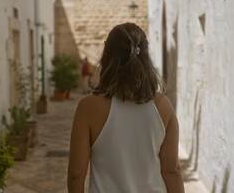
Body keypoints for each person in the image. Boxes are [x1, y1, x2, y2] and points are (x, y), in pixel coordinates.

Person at [68, 23, 185, 193]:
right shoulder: (163, 105)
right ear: (146, 58)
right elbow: (172, 170)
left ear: (107, 56)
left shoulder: (88, 108)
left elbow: (75, 174)